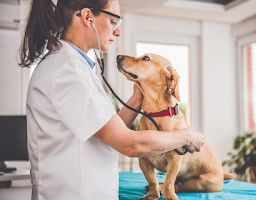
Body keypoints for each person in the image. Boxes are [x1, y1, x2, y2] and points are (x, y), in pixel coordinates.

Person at [19, 0, 205, 199]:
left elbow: (106, 130)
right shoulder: (66, 72)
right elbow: (130, 144)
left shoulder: (74, 68)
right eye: (113, 21)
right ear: (87, 16)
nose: (118, 32)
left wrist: (136, 101)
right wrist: (187, 136)